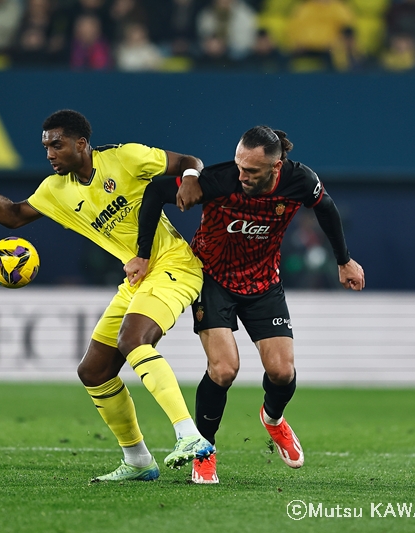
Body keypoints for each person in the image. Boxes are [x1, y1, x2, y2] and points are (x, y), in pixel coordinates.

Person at [0, 109, 214, 481]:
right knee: (94, 371)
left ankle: (189, 436)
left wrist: (191, 177)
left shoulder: (125, 157)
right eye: (46, 146)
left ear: (81, 144)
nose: (49, 153)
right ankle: (138, 461)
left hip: (175, 265)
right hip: (136, 279)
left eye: (57, 144)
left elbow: (189, 161)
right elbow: (14, 216)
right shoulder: (55, 190)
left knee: (133, 339)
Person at [131, 125, 365, 484]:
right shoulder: (219, 179)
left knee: (282, 373)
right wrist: (143, 255)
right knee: (224, 370)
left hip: (262, 283)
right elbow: (154, 192)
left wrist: (344, 260)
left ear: (276, 167)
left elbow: (327, 209)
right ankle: (204, 450)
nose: (242, 175)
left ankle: (273, 420)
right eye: (240, 166)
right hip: (212, 279)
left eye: (251, 171)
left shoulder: (300, 180)